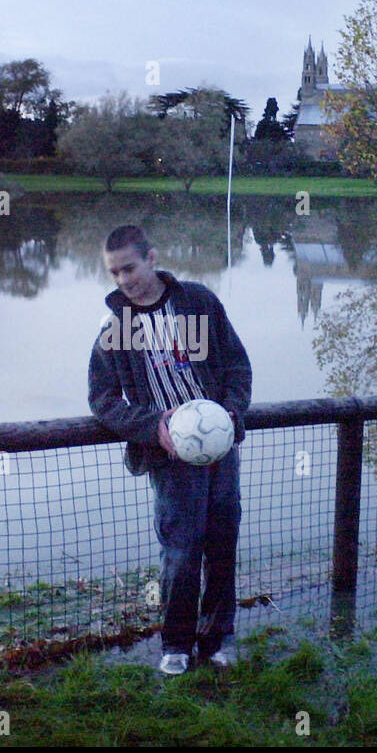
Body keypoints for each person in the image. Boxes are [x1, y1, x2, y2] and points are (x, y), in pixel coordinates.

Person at [88, 224, 252, 675]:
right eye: (114, 272)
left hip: (220, 452)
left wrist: (230, 417)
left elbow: (238, 366)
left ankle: (218, 638)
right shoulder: (117, 327)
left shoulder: (198, 303)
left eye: (130, 267)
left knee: (222, 542)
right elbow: (102, 399)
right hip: (169, 458)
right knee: (180, 553)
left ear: (152, 258)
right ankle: (176, 644)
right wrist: (149, 427)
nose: (123, 279)